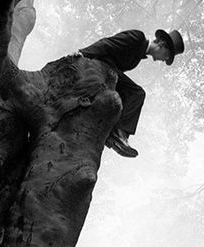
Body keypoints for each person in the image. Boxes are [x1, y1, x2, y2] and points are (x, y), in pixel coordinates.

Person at [75, 29, 185, 158]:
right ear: (162, 44)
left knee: (127, 96)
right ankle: (118, 134)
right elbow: (107, 43)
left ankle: (112, 131)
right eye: (167, 55)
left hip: (109, 73)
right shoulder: (137, 38)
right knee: (137, 94)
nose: (164, 60)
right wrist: (83, 53)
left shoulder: (138, 58)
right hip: (99, 66)